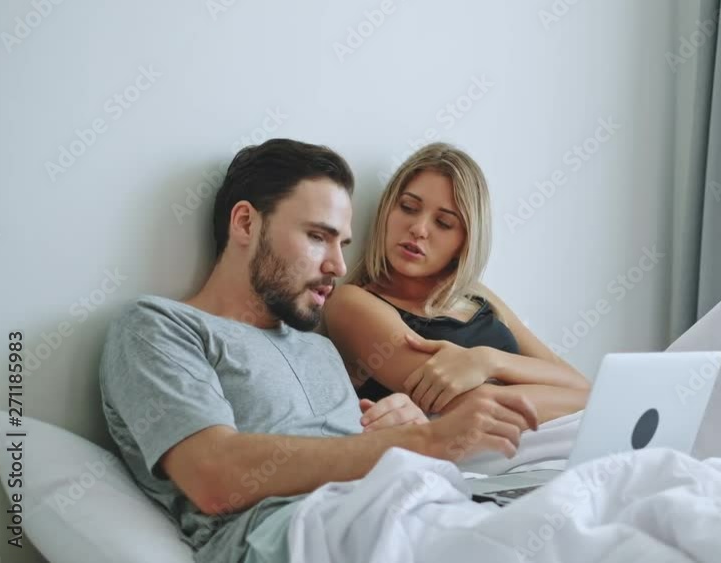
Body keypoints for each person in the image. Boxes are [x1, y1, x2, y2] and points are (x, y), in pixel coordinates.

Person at [98, 139, 539, 563]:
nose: (339, 266)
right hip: (297, 533)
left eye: (341, 244)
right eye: (317, 237)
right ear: (246, 224)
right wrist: (426, 441)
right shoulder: (158, 326)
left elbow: (346, 457)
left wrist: (399, 435)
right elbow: (213, 474)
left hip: (411, 505)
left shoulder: (321, 350)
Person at [322, 143, 590, 426]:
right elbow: (481, 408)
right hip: (479, 456)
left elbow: (582, 385)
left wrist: (486, 361)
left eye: (444, 223)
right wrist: (569, 395)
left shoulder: (475, 296)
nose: (419, 229)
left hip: (546, 444)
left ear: (465, 241)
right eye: (408, 207)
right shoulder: (351, 303)